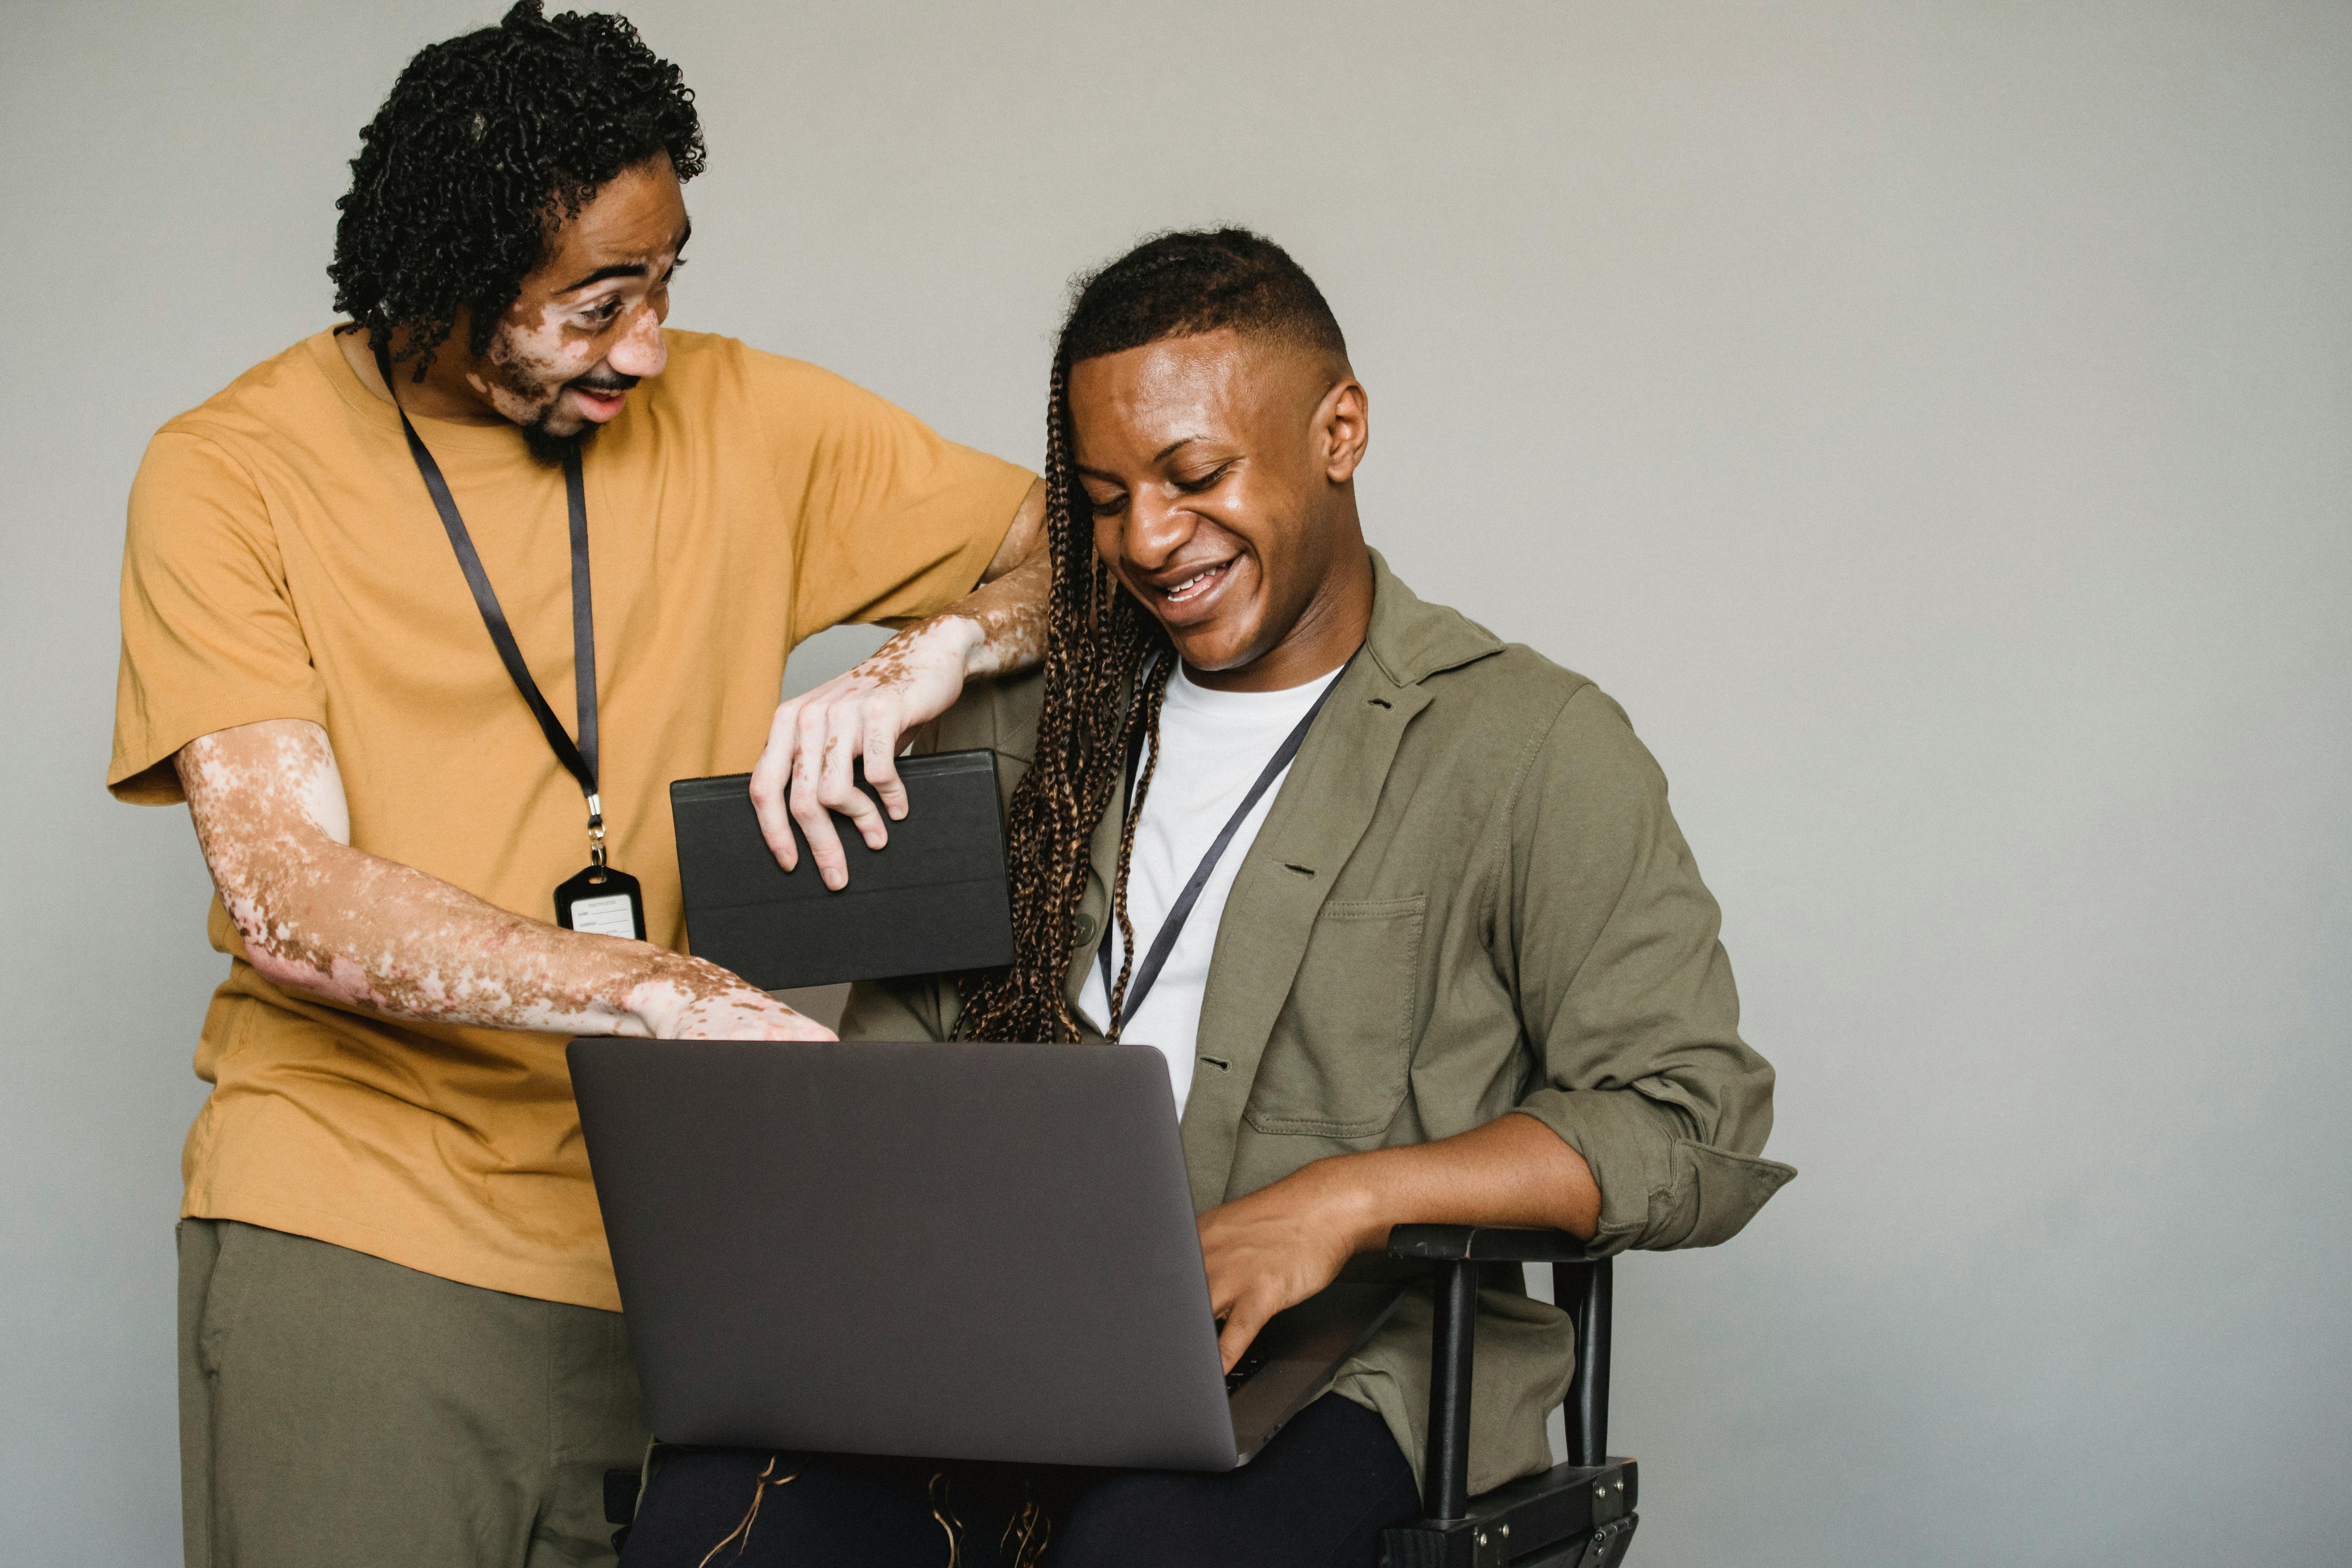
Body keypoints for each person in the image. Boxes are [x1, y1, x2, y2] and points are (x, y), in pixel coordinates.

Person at [619, 229, 1794, 1567]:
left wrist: (1340, 1203)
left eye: (1196, 476)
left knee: (1149, 1546)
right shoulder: (1019, 730)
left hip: (1348, 1359)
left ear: (1340, 431)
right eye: (1106, 497)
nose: (1149, 539)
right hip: (1004, 1337)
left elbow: (1688, 1118)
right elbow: (900, 1085)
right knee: (706, 1524)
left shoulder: (1531, 747)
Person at [108, 6, 1052, 1564]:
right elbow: (286, 891)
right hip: (359, 1232)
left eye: (666, 279)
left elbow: (1083, 547)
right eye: (599, 303)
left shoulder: (751, 420)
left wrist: (929, 655)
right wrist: (655, 991)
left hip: (679, 1259)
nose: (648, 345)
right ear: (452, 278)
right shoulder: (230, 471)